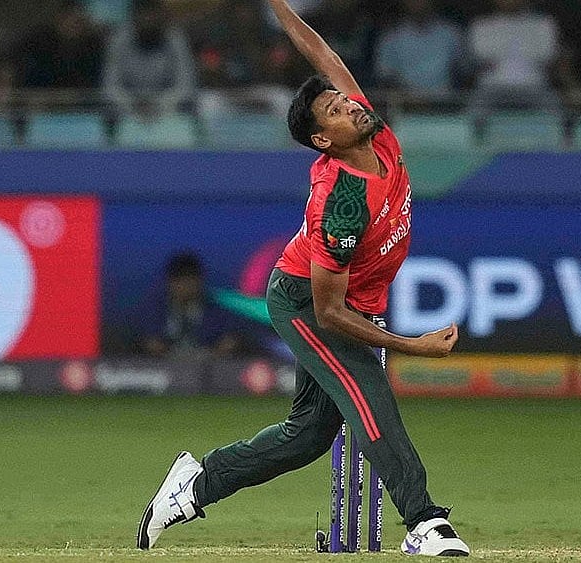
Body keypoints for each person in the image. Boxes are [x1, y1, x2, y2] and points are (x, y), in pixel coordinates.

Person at [135, 0, 470, 557]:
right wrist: (409, 344)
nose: (349, 105)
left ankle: (194, 486)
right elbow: (330, 312)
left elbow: (324, 54)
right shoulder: (339, 200)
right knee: (368, 396)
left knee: (309, 436)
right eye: (335, 112)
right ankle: (425, 522)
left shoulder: (375, 133)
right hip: (305, 304)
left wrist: (278, 8)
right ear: (323, 141)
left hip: (349, 304)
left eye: (343, 100)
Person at [103, 0, 196, 122]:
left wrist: (158, 105)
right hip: (127, 115)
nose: (148, 20)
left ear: (162, 18)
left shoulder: (176, 39)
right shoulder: (119, 40)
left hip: (171, 114)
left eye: (152, 15)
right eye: (143, 15)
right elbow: (110, 88)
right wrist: (133, 104)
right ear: (133, 19)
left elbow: (186, 87)